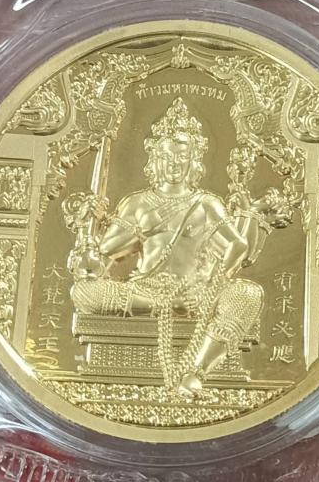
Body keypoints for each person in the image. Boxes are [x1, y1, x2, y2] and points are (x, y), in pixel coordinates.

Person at [71, 97, 269, 396]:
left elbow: (237, 246)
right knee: (83, 292)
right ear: (155, 159)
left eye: (182, 157)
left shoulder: (206, 203)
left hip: (195, 292)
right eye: (167, 156)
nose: (174, 164)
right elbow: (100, 261)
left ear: (193, 161)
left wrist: (208, 282)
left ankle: (197, 371)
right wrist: (89, 227)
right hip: (145, 292)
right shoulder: (136, 203)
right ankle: (165, 307)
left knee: (248, 293)